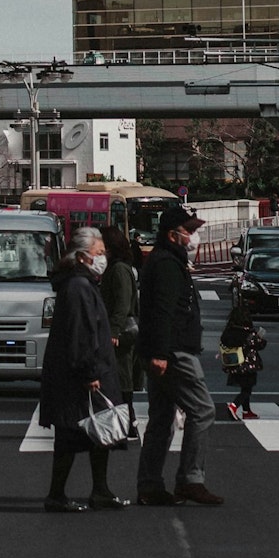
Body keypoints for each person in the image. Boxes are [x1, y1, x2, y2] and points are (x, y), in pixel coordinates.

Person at [137, 207, 223, 506]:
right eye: (189, 230)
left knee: (162, 418)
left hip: (163, 349)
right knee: (203, 410)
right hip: (174, 351)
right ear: (173, 233)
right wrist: (161, 353)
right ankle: (190, 479)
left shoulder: (165, 261)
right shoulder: (167, 265)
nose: (193, 236)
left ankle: (150, 484)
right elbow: (163, 311)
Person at [38, 227, 127, 512]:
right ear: (81, 257)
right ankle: (58, 494)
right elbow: (80, 333)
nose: (102, 258)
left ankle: (98, 490)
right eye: (98, 253)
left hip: (82, 371)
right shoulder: (78, 287)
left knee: (97, 433)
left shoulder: (82, 283)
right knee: (73, 435)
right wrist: (89, 373)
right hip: (80, 375)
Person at [99, 225, 141, 434]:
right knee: (120, 378)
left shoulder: (118, 270)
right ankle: (127, 421)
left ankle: (129, 422)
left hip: (122, 333)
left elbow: (123, 304)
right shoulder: (118, 268)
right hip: (119, 331)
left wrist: (114, 331)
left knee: (122, 378)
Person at [219, 303, 266, 421]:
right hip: (248, 365)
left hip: (234, 363)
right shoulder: (249, 332)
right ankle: (234, 406)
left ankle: (247, 411)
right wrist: (261, 337)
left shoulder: (229, 331)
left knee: (244, 387)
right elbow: (260, 344)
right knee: (247, 389)